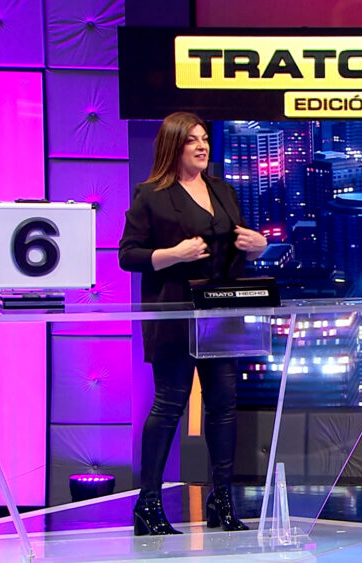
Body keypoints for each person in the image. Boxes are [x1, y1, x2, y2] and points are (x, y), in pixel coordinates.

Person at [119, 111, 268, 535]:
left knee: (223, 404)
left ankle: (222, 501)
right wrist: (173, 255)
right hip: (175, 314)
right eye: (192, 140)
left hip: (220, 314)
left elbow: (236, 245)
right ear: (174, 145)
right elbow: (127, 254)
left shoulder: (222, 190)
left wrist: (257, 246)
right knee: (170, 404)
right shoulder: (151, 195)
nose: (202, 146)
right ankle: (148, 504)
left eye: (205, 139)